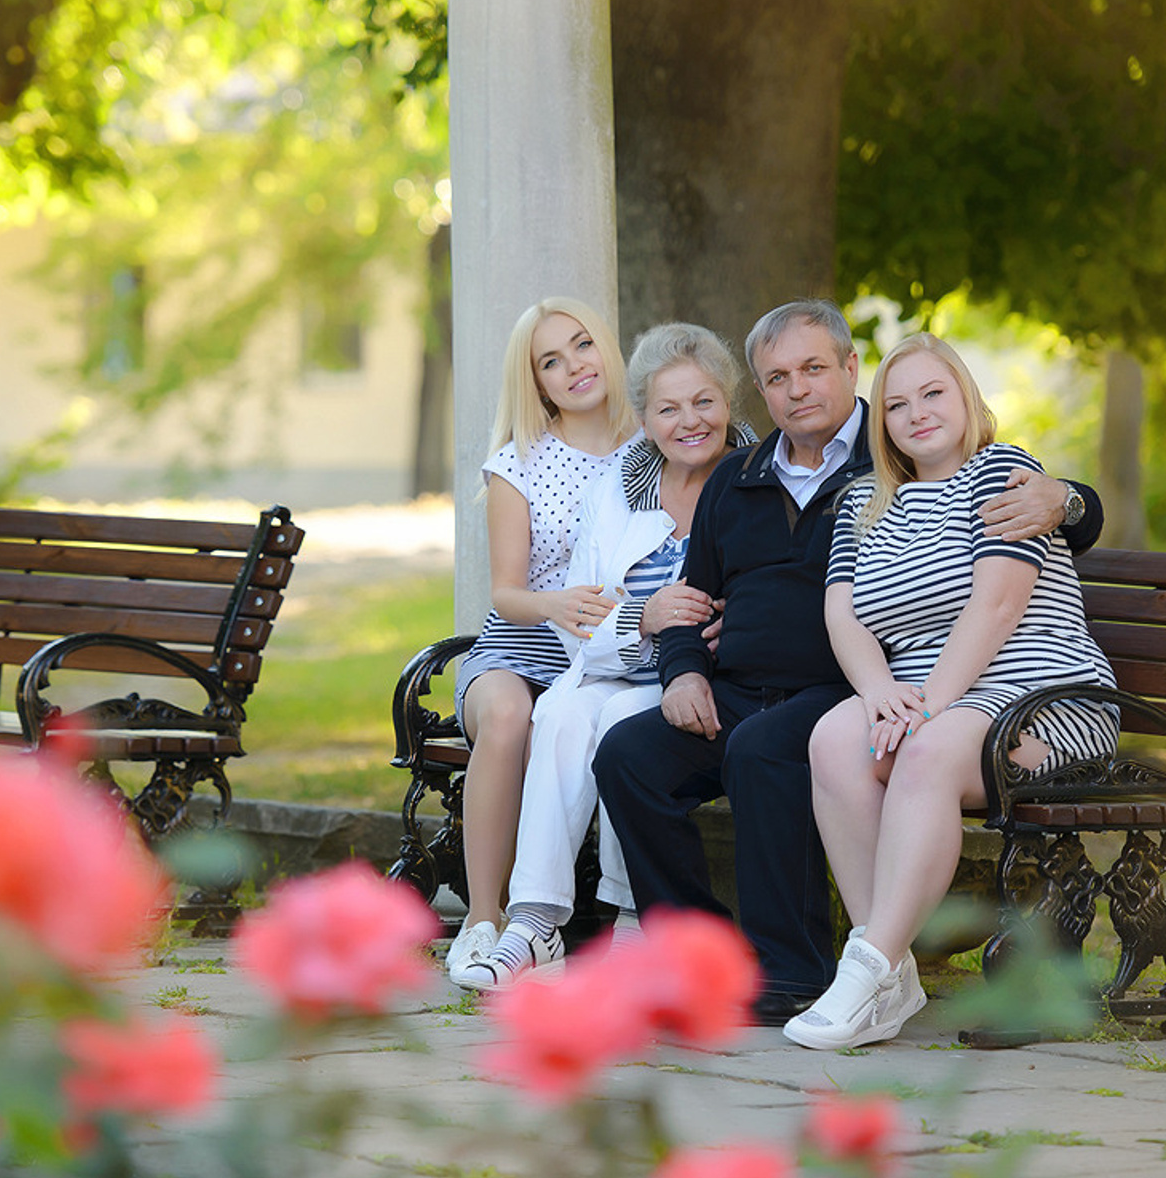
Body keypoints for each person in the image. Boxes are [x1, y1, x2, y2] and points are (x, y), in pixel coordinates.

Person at [593, 299, 1102, 1025]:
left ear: (848, 369)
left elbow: (1037, 513)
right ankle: (697, 957)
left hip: (843, 689)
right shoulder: (746, 481)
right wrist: (682, 672)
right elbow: (693, 596)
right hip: (756, 685)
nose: (797, 389)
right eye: (777, 377)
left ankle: (797, 970)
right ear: (760, 393)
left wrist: (1073, 501)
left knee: (766, 750)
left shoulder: (894, 457)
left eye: (812, 369)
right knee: (627, 755)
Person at [783, 333, 1117, 1049]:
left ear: (966, 396)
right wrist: (877, 691)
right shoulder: (863, 502)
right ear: (883, 424)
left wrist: (927, 707)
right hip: (938, 702)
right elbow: (841, 611)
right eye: (898, 404)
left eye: (933, 393)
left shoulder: (1005, 474)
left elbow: (995, 607)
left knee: (926, 751)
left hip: (1043, 700)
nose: (916, 413)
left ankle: (865, 963)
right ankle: (892, 976)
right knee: (835, 738)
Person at [455, 323, 757, 988]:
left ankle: (629, 921)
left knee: (623, 726)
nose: (689, 422)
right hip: (615, 662)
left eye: (704, 402)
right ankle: (533, 924)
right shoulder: (620, 481)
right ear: (645, 418)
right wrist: (641, 618)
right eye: (669, 409)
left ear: (730, 401)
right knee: (561, 714)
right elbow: (580, 614)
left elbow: (765, 601)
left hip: (707, 679)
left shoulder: (755, 478)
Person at [445, 297, 640, 980]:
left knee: (616, 719)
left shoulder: (653, 445)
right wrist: (557, 602)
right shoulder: (519, 462)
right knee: (507, 714)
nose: (574, 367)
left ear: (606, 348)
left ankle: (619, 921)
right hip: (521, 643)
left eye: (582, 346)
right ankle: (482, 919)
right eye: (550, 362)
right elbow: (504, 593)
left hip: (612, 652)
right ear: (536, 383)